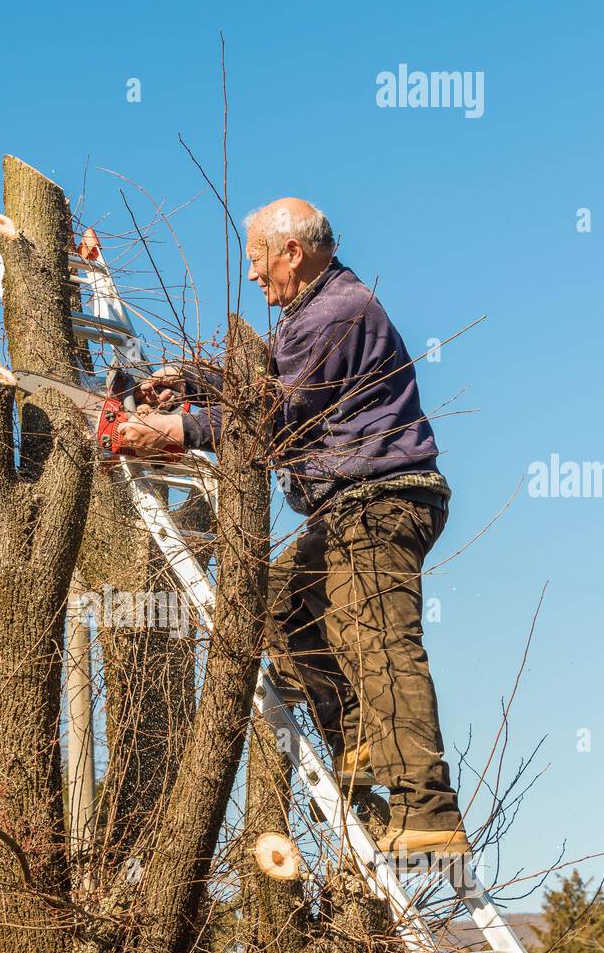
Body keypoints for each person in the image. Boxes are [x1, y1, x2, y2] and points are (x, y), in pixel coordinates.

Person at [124, 198, 469, 858]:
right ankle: (362, 737)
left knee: (379, 645)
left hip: (378, 500)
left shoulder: (333, 315)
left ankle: (428, 810)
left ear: (291, 250)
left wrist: (175, 431)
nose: (252, 273)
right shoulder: (309, 316)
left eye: (256, 257)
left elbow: (279, 421)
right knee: (280, 608)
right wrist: (187, 383)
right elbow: (269, 391)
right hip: (348, 506)